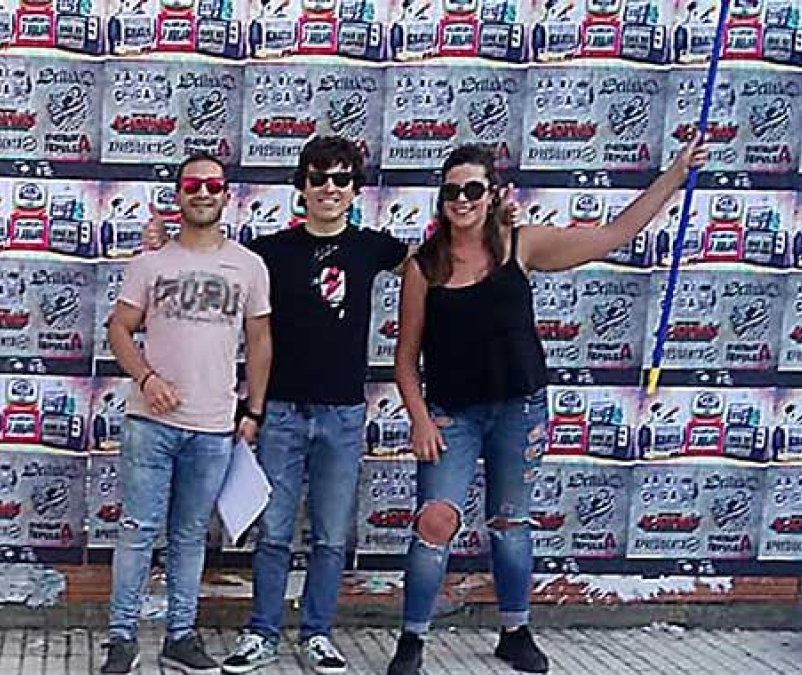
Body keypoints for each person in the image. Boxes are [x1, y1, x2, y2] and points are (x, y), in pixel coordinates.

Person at [386, 135, 708, 675]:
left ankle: (515, 632)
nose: (461, 200)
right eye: (451, 191)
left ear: (493, 194)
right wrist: (419, 418)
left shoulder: (521, 244)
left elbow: (613, 235)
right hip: (452, 415)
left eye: (473, 190)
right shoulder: (424, 267)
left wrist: (675, 174)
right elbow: (404, 358)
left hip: (520, 408)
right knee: (435, 521)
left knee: (511, 522)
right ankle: (411, 640)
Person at [148, 135, 414, 674]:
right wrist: (157, 245)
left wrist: (500, 228)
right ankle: (262, 634)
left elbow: (444, 262)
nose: (329, 189)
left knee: (331, 536)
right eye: (318, 179)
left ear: (355, 189)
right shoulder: (268, 252)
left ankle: (317, 634)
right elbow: (206, 258)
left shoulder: (375, 247)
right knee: (272, 533)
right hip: (282, 412)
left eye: (340, 179)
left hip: (343, 414)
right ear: (302, 187)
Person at [101, 152, 273, 675]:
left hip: (213, 427)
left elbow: (260, 341)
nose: (202, 193)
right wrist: (146, 378)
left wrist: (254, 410)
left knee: (190, 536)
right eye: (192, 185)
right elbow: (118, 329)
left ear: (226, 195)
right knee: (137, 530)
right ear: (178, 195)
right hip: (149, 424)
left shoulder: (249, 265)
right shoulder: (150, 263)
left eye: (212, 185)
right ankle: (121, 640)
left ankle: (180, 636)